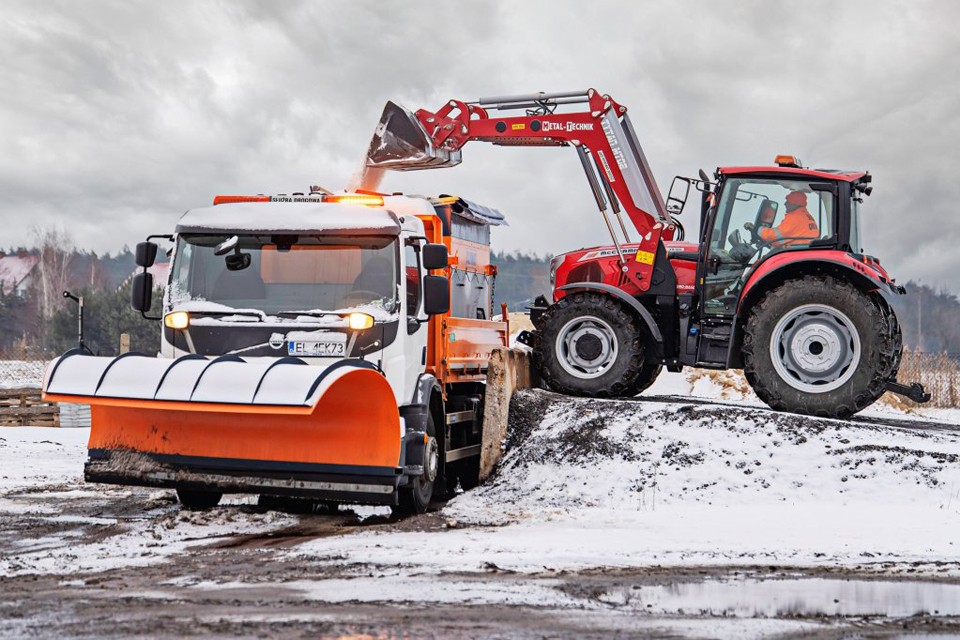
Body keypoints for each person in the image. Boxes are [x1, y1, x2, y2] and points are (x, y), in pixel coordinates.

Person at [745, 190, 819, 247]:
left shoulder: (795, 217)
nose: (785, 204)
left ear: (795, 203)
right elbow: (783, 239)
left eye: (788, 201)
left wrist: (757, 229)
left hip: (795, 253)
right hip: (800, 251)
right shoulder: (805, 215)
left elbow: (774, 236)